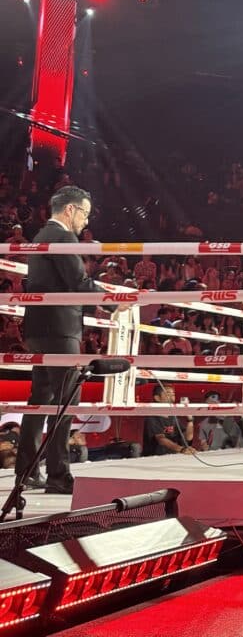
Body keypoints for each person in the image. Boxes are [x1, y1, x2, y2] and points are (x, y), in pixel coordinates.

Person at [15, 186, 117, 494]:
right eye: (84, 213)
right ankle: (59, 475)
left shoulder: (40, 236)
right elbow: (78, 282)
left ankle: (26, 473)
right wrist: (111, 301)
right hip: (60, 330)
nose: (86, 221)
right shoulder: (63, 237)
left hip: (37, 329)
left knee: (40, 401)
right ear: (70, 209)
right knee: (66, 400)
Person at [142, 385, 196, 456]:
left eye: (173, 394)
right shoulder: (152, 417)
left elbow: (188, 437)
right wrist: (182, 449)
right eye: (168, 393)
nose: (172, 396)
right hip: (155, 458)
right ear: (157, 398)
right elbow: (161, 439)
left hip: (173, 456)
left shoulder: (173, 417)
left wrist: (190, 419)